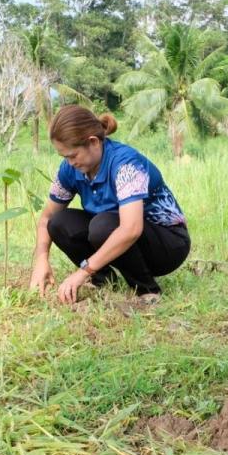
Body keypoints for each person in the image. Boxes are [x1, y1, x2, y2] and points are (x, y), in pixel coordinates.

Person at [29, 105, 191, 305]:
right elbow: (47, 218)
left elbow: (131, 229)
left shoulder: (125, 164)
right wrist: (41, 259)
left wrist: (82, 272)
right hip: (114, 229)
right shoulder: (70, 170)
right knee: (59, 222)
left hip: (167, 244)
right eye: (65, 157)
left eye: (72, 155)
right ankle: (104, 282)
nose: (69, 162)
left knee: (102, 226)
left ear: (93, 142)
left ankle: (146, 290)